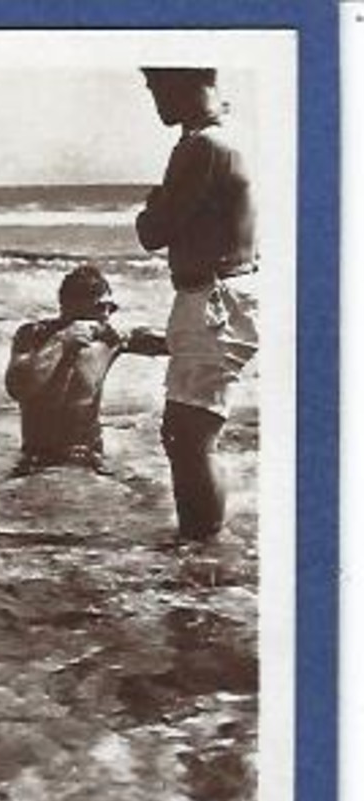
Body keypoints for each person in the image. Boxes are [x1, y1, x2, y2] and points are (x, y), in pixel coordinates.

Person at [136, 66, 259, 541]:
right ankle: (204, 545)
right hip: (224, 294)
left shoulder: (201, 147)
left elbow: (153, 233)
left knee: (189, 436)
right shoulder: (225, 138)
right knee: (190, 433)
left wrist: (152, 206)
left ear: (182, 80)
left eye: (154, 86)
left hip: (214, 298)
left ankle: (202, 554)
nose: (153, 98)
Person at [5, 264, 169, 475]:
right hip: (37, 456)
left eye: (112, 308)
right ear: (70, 304)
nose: (107, 315)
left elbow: (177, 342)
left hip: (88, 455)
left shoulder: (109, 338)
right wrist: (62, 340)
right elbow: (18, 387)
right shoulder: (34, 335)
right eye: (101, 307)